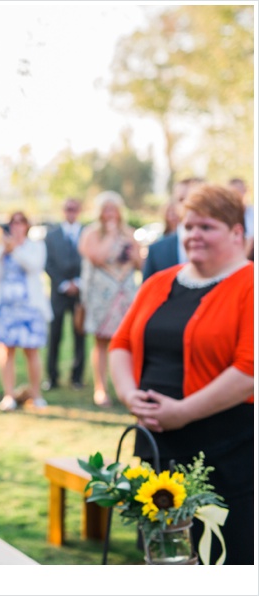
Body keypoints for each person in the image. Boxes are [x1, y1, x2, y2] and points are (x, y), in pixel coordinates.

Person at [109, 183, 254, 564]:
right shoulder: (160, 282)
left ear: (237, 233)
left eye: (206, 227)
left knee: (224, 554)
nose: (193, 235)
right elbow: (120, 344)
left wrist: (183, 411)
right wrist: (128, 394)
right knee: (164, 557)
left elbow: (248, 370)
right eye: (188, 226)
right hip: (159, 451)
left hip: (226, 450)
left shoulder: (250, 285)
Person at [78, 191, 141, 408]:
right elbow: (97, 257)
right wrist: (112, 236)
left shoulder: (130, 233)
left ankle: (127, 387)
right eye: (106, 209)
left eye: (114, 209)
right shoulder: (91, 234)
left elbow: (140, 263)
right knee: (102, 342)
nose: (110, 213)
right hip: (102, 297)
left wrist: (133, 254)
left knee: (127, 342)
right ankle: (101, 389)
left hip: (125, 295)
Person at [0, 211, 52, 411]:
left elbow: (34, 267)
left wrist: (15, 250)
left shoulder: (36, 246)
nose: (17, 226)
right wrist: (3, 253)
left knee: (32, 351)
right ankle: (8, 395)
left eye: (21, 222)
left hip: (29, 308)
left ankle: (36, 394)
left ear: (27, 225)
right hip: (6, 308)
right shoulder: (1, 248)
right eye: (13, 223)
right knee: (6, 351)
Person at [43, 197, 85, 392]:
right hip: (58, 294)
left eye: (74, 208)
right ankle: (52, 377)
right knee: (55, 335)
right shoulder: (52, 235)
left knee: (80, 335)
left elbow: (89, 260)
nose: (71, 212)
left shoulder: (86, 233)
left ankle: (77, 377)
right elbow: (48, 263)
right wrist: (62, 283)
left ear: (79, 210)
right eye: (68, 208)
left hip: (80, 293)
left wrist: (78, 283)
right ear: (63, 210)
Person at [143, 177, 203, 281]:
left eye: (194, 199)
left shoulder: (224, 248)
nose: (188, 205)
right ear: (174, 204)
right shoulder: (157, 250)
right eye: (181, 199)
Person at [227, 177, 253, 260]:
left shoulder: (253, 213)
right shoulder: (225, 215)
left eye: (239, 191)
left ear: (245, 191)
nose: (236, 196)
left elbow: (251, 238)